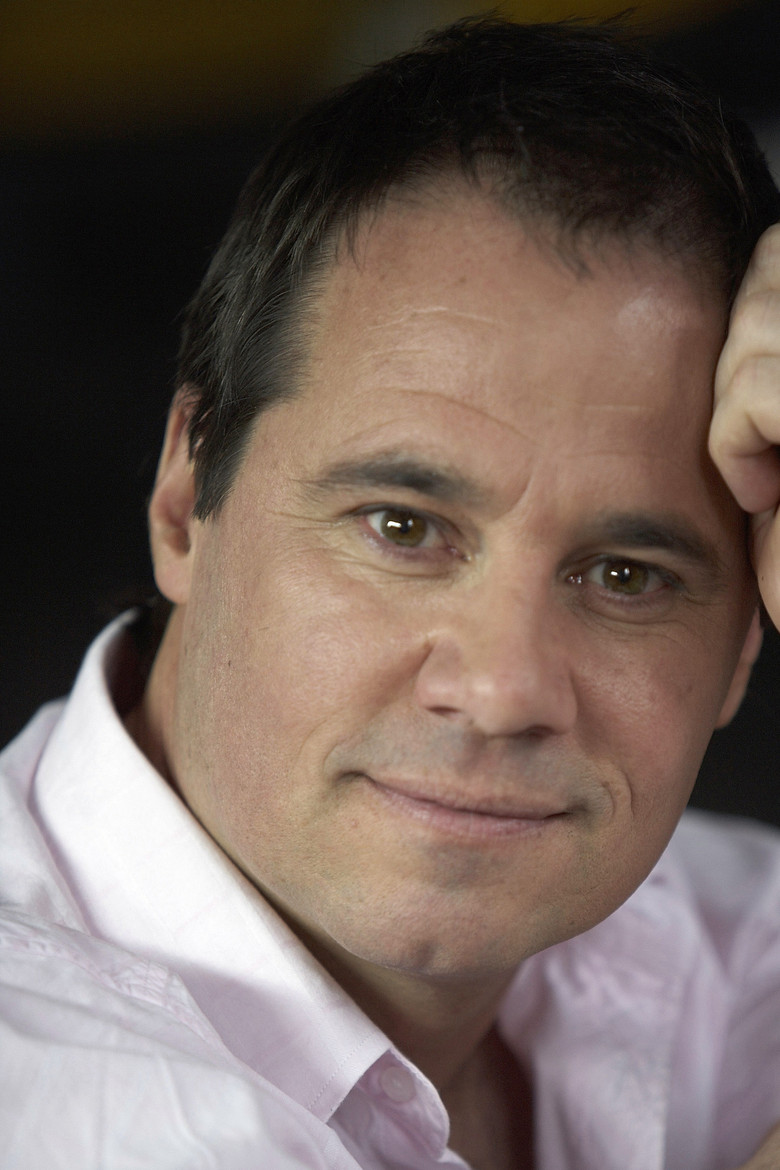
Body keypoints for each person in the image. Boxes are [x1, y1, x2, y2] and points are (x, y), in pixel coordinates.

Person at [1, 16, 780, 1170]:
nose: (503, 688)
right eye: (403, 527)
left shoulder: (714, 938)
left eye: (626, 576)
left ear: (743, 645)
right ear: (184, 497)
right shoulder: (56, 1101)